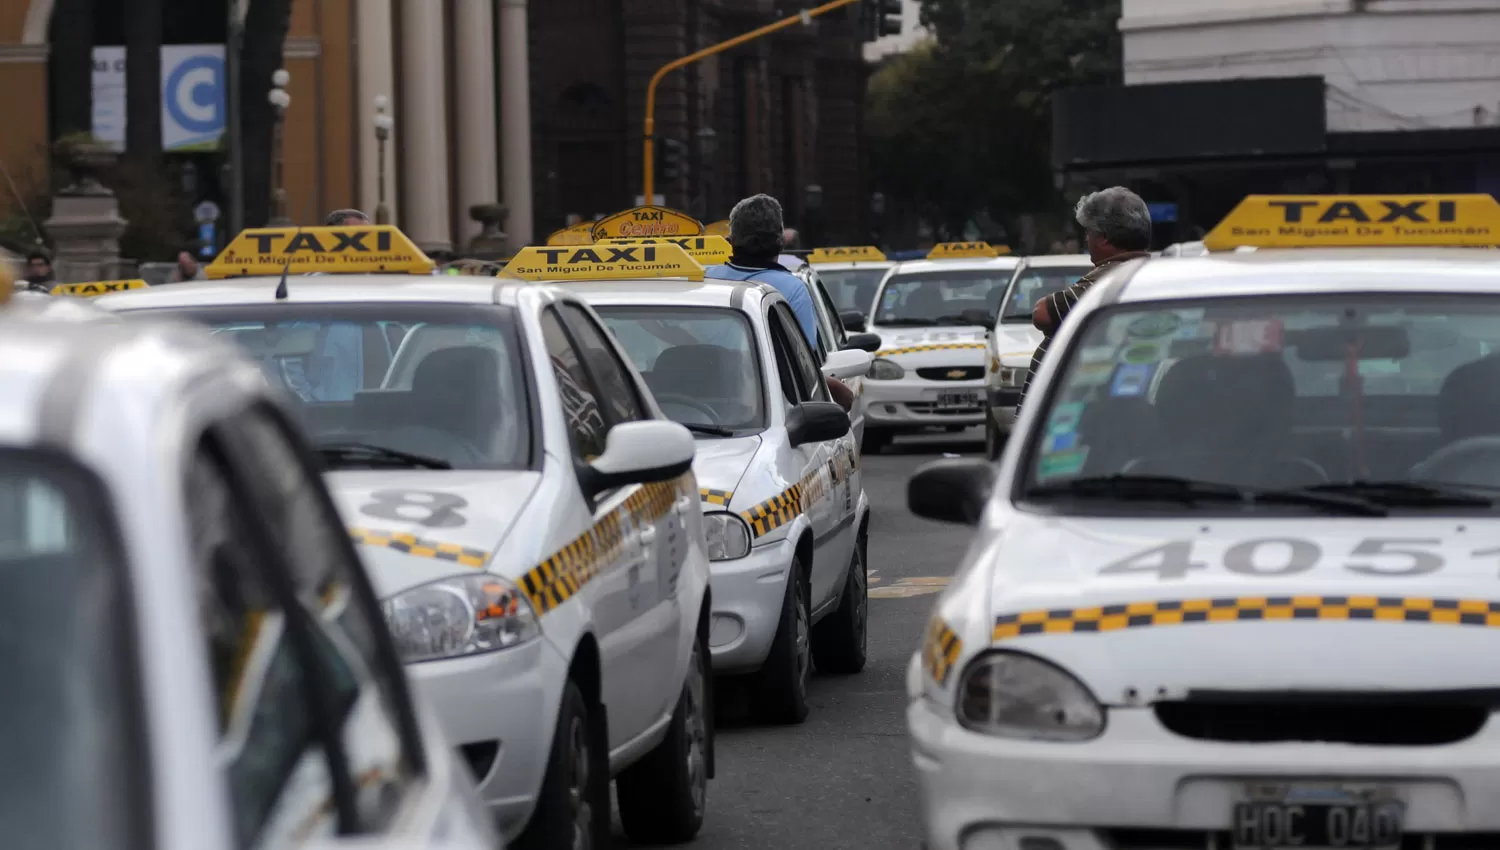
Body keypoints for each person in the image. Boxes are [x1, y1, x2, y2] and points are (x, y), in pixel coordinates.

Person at [704, 194, 854, 412]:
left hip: (698, 395)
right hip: (766, 405)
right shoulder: (793, 289)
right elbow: (803, 362)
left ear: (731, 241)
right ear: (781, 243)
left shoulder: (706, 279)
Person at [1020, 187, 1153, 408]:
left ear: (1104, 238)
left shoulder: (1110, 276)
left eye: (1089, 232)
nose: (1086, 239)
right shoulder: (1150, 271)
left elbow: (1043, 314)